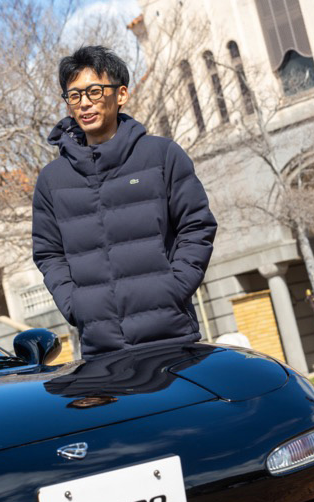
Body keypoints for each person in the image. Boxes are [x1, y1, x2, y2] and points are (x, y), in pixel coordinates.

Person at [32, 45, 217, 357]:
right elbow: (48, 253)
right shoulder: (53, 180)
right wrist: (76, 306)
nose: (84, 103)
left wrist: (173, 289)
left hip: (171, 336)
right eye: (74, 96)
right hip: (101, 349)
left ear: (121, 95)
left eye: (94, 91)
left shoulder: (162, 156)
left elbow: (197, 226)